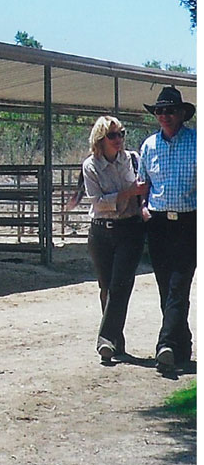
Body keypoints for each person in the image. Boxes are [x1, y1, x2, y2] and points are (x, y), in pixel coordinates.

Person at [138, 86, 196, 373]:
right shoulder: (148, 146)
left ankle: (166, 345)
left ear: (182, 114)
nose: (164, 115)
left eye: (170, 110)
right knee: (166, 287)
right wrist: (143, 206)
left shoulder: (197, 142)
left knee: (178, 285)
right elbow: (143, 185)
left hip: (189, 222)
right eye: (160, 111)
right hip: (159, 224)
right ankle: (181, 345)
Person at [82, 116, 147, 362]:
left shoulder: (133, 160)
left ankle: (105, 339)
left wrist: (140, 202)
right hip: (100, 230)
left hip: (129, 228)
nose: (118, 139)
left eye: (121, 134)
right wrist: (128, 193)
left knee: (121, 284)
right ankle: (115, 340)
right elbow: (98, 202)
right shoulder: (90, 166)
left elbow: (143, 189)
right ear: (101, 139)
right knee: (107, 287)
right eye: (113, 135)